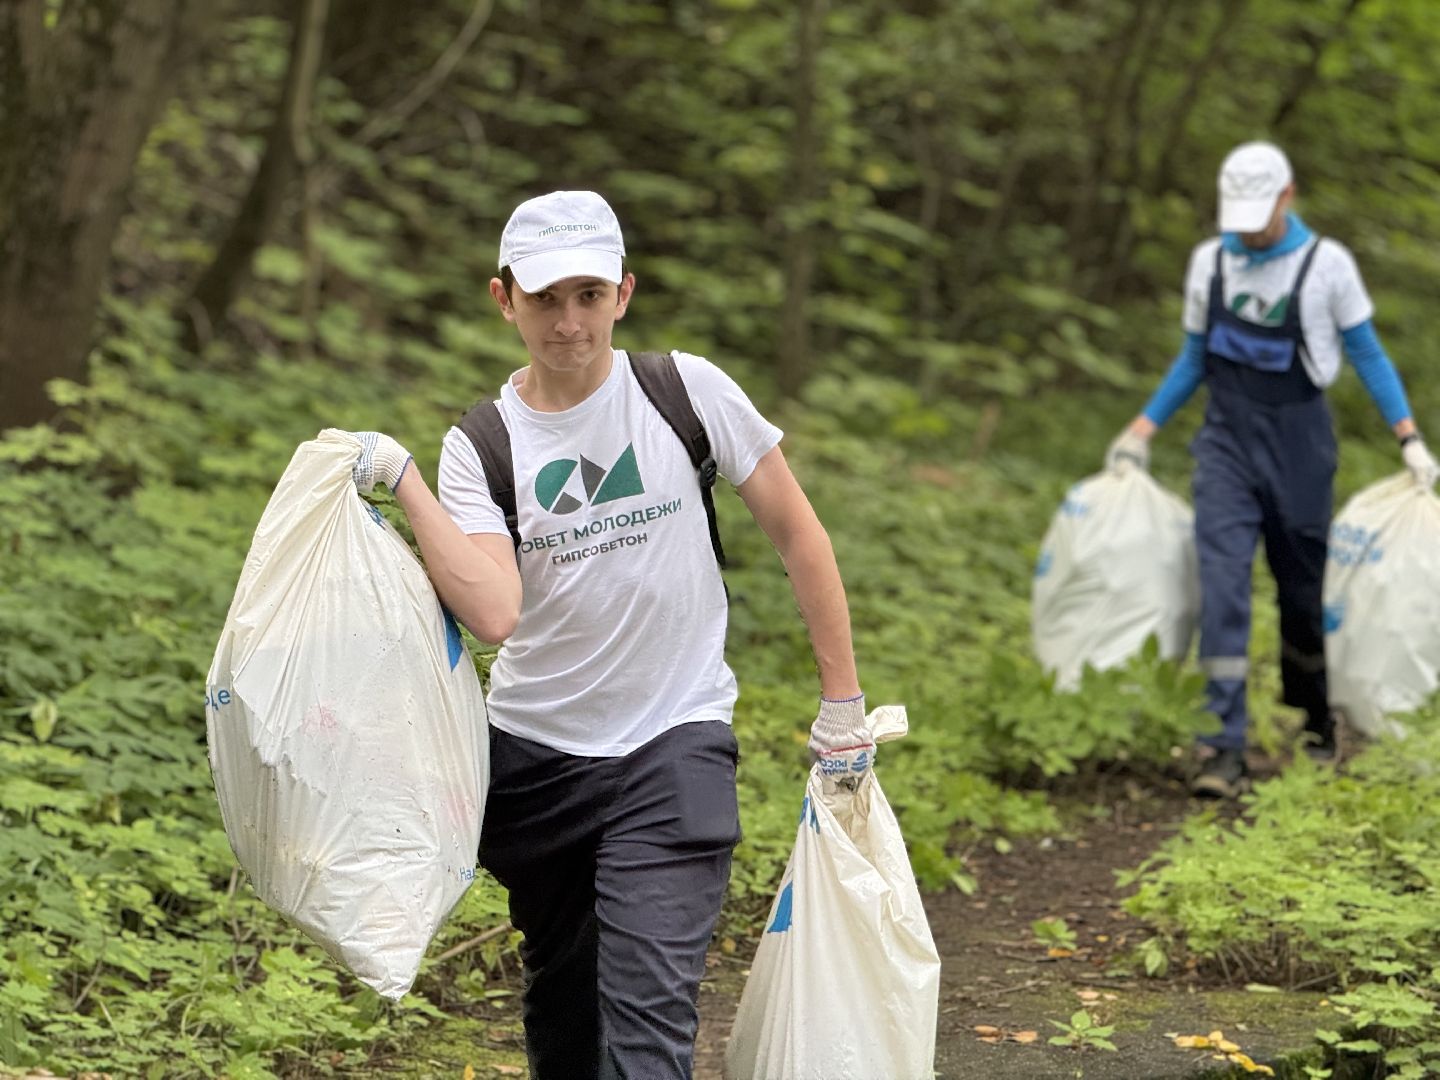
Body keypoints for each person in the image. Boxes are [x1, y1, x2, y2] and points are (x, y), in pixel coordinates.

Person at [344, 190, 872, 1079]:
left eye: (587, 296)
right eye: (545, 299)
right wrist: (404, 480)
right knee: (567, 1006)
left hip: (676, 744)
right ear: (503, 298)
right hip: (536, 763)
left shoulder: (684, 392)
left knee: (649, 1017)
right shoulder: (482, 444)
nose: (568, 323)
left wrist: (843, 703)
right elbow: (495, 612)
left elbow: (798, 534)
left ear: (623, 294)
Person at [1105, 141, 1437, 800]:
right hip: (1226, 445)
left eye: (1260, 213)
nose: (1248, 228)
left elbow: (1366, 353)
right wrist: (1141, 429)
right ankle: (1221, 745)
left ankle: (1315, 720)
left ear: (1288, 197)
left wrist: (1410, 438)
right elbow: (1195, 356)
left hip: (1300, 449)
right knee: (1223, 585)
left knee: (1301, 594)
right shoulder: (1211, 261)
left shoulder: (1326, 266)